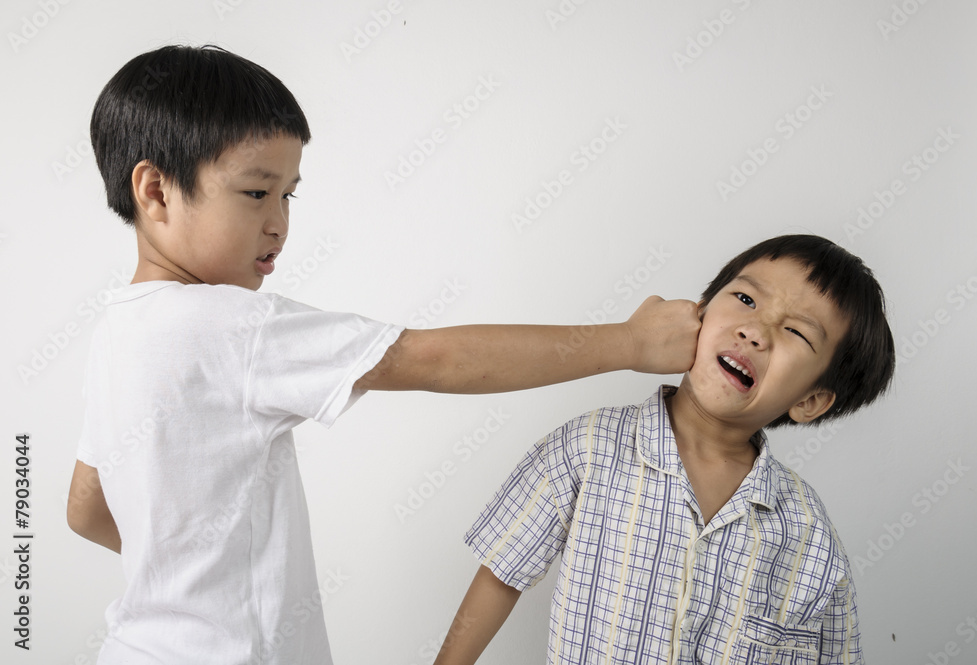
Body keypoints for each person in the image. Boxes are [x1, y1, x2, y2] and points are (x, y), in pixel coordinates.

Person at [65, 45, 701, 664]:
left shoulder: (117, 335)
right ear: (154, 190)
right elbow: (432, 359)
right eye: (257, 193)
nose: (280, 223)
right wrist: (629, 341)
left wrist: (183, 565)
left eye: (289, 194)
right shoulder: (233, 323)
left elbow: (86, 508)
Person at [433, 234, 894, 665]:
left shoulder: (810, 535)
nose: (756, 331)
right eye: (746, 300)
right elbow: (502, 572)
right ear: (698, 314)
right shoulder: (588, 448)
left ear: (809, 400)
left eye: (796, 332)